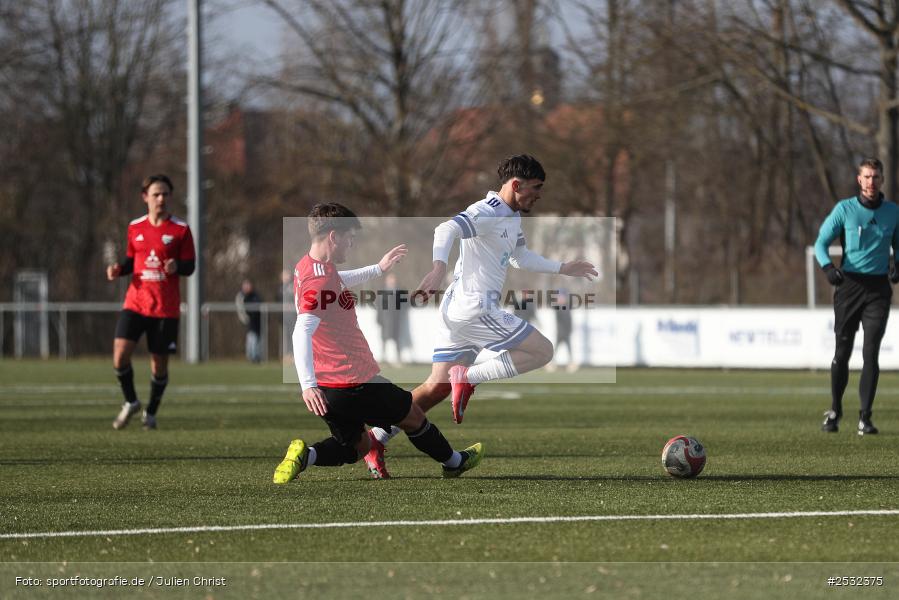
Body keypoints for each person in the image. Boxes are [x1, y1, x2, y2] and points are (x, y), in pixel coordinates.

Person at [366, 154, 596, 475]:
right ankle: (469, 377)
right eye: (536, 187)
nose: (539, 194)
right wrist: (438, 268)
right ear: (516, 185)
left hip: (458, 310)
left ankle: (374, 439)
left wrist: (563, 268)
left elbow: (519, 257)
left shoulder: (512, 216)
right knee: (542, 351)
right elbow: (446, 228)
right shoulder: (488, 210)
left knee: (437, 387)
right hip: (475, 308)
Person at [273, 203, 483, 483]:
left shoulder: (307, 267)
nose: (351, 244)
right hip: (354, 380)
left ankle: (305, 456)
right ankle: (455, 462)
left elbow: (337, 280)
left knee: (358, 446)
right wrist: (306, 385)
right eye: (349, 238)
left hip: (329, 386)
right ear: (333, 236)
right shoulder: (320, 282)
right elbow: (301, 331)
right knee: (413, 415)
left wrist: (377, 268)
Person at [815, 157, 899, 435]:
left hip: (878, 290)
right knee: (842, 352)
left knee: (871, 352)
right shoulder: (845, 209)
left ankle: (865, 417)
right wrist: (828, 268)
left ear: (882, 180)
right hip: (849, 287)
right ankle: (835, 410)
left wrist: (897, 265)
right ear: (859, 180)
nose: (871, 181)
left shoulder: (893, 212)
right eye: (867, 176)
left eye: (876, 177)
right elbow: (820, 243)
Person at [106, 174, 195, 430]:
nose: (161, 199)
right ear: (145, 197)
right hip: (135, 302)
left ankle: (151, 412)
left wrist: (177, 266)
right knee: (120, 356)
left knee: (159, 364)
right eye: (156, 194)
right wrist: (118, 269)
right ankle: (131, 401)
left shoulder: (181, 229)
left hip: (165, 309)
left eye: (165, 194)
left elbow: (190, 266)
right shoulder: (135, 227)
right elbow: (131, 262)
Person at [376, 272, 410, 366]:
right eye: (390, 279)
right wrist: (379, 319)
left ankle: (398, 359)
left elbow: (406, 304)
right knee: (384, 340)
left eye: (393, 279)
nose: (392, 281)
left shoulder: (399, 292)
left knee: (397, 340)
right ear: (386, 280)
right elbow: (379, 307)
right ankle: (383, 359)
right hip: (385, 320)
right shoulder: (382, 292)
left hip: (396, 320)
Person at [235, 279, 263, 363]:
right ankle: (251, 356)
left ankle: (255, 357)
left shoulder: (255, 296)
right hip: (250, 322)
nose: (247, 288)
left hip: (257, 322)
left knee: (255, 339)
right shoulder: (242, 296)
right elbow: (241, 309)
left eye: (248, 286)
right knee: (251, 339)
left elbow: (259, 305)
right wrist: (245, 318)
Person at [277, 269, 297, 362]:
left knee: (293, 335)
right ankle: (286, 354)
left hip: (293, 316)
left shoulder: (293, 286)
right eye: (284, 275)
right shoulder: (280, 288)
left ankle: (293, 354)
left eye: (287, 275)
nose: (286, 277)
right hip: (284, 317)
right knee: (285, 336)